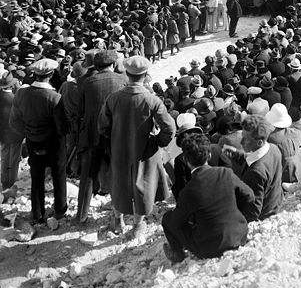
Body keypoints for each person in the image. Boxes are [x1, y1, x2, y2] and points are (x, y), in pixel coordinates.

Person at [98, 56, 175, 239]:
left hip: (119, 149)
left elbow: (102, 126)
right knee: (143, 185)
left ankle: (118, 220)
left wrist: (115, 138)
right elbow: (169, 128)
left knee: (120, 182)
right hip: (145, 150)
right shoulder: (152, 100)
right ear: (146, 75)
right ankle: (138, 225)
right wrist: (157, 142)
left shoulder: (113, 98)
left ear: (127, 74)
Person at [162, 133, 255, 263]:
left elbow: (176, 221)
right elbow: (249, 196)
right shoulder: (225, 173)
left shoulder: (189, 189)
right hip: (239, 236)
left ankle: (178, 255)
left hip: (210, 248)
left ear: (187, 161)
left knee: (167, 219)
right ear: (209, 155)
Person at [9, 59, 68, 224]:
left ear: (34, 74)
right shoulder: (54, 98)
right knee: (58, 176)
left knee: (36, 177)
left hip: (33, 141)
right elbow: (62, 128)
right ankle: (59, 211)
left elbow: (14, 122)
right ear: (50, 75)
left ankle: (37, 214)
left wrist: (29, 133)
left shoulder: (21, 93)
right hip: (54, 144)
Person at [76, 50, 127, 223]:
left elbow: (80, 110)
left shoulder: (87, 82)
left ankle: (81, 215)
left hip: (92, 134)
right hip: (115, 133)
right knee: (118, 172)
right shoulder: (123, 80)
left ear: (96, 66)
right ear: (113, 65)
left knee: (88, 174)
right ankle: (118, 213)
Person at [224, 114, 283, 220]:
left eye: (246, 139)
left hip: (264, 217)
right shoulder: (274, 149)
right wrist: (237, 155)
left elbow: (253, 211)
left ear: (259, 142)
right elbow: (255, 158)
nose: (241, 142)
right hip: (274, 204)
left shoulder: (255, 173)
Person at [0, 71, 23, 189]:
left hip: (3, 134)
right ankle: (12, 181)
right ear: (11, 85)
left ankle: (4, 181)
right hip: (15, 134)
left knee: (4, 156)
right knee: (14, 159)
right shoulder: (15, 99)